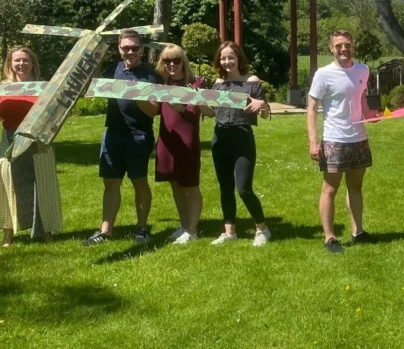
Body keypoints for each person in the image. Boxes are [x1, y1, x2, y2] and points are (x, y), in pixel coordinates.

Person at [0, 46, 61, 246]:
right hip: (10, 140)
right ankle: (8, 233)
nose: (21, 64)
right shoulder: (2, 87)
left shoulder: (44, 87)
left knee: (42, 185)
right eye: (17, 61)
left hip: (38, 141)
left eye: (25, 60)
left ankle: (45, 231)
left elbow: (55, 115)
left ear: (32, 63)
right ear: (10, 64)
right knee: (8, 185)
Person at [83, 30, 160, 246]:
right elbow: (92, 85)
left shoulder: (150, 75)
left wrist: (136, 95)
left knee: (139, 182)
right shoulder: (112, 70)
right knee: (111, 183)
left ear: (142, 50)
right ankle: (106, 231)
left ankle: (142, 229)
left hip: (139, 135)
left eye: (135, 48)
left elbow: (153, 111)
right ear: (119, 49)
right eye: (126, 48)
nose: (131, 52)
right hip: (113, 133)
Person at [307, 29, 380, 253]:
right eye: (338, 45)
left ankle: (358, 231)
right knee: (330, 188)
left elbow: (361, 98)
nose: (343, 49)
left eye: (347, 44)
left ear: (352, 46)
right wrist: (313, 141)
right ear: (331, 48)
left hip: (359, 138)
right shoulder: (323, 74)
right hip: (334, 139)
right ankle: (329, 238)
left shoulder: (363, 70)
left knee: (356, 186)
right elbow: (311, 109)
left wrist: (369, 114)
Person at [198, 42, 271, 247]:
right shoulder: (218, 83)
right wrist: (198, 101)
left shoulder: (252, 82)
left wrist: (262, 104)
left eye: (231, 57)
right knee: (225, 187)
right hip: (220, 138)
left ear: (239, 58)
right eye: (223, 58)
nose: (227, 61)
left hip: (242, 137)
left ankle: (262, 229)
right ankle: (230, 232)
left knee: (243, 188)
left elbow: (264, 115)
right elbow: (211, 112)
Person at [154, 44, 203, 245]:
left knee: (190, 185)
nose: (172, 65)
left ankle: (192, 230)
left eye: (176, 60)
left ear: (183, 61)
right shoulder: (161, 84)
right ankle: (184, 226)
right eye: (167, 61)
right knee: (174, 184)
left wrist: (180, 108)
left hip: (187, 139)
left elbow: (195, 113)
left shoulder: (195, 83)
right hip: (167, 140)